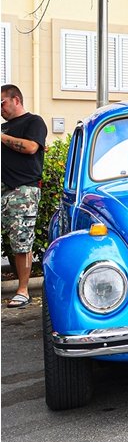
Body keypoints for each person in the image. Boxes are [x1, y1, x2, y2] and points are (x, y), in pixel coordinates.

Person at [1, 84, 48, 308]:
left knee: (22, 241)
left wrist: (1, 137)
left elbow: (30, 148)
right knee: (12, 241)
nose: (1, 109)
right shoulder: (4, 128)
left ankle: (23, 291)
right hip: (4, 188)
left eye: (3, 103)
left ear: (16, 100)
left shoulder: (33, 122)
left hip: (23, 189)